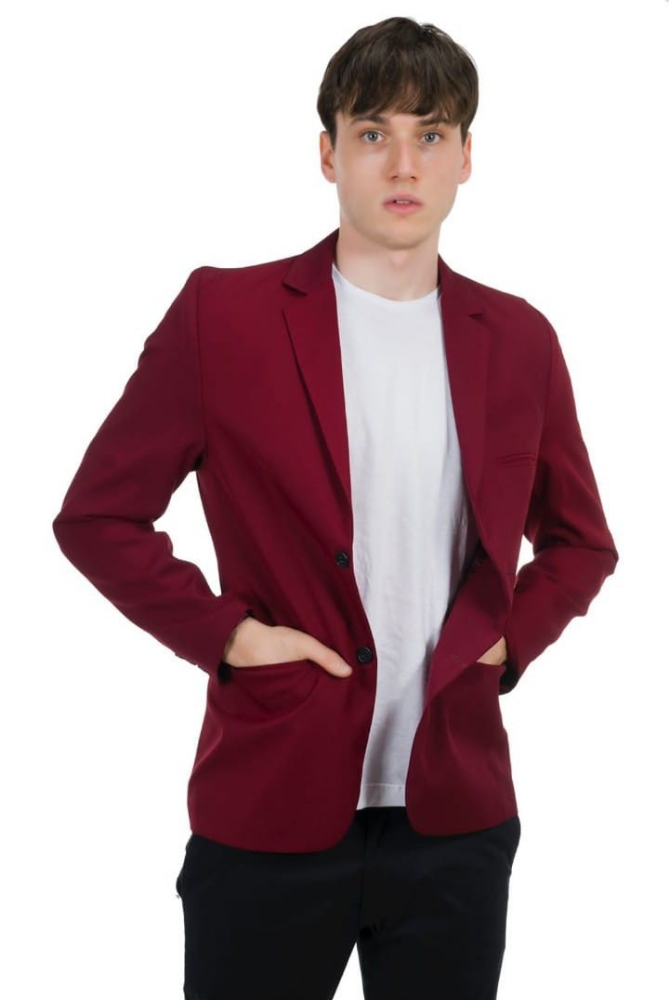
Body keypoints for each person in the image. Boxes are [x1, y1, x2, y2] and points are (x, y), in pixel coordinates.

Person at [51, 16, 619, 1000]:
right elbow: (97, 516)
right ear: (328, 154)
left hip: (455, 816)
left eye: (430, 134)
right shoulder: (224, 316)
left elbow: (581, 542)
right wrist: (229, 636)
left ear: (466, 158)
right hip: (269, 804)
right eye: (372, 133)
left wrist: (509, 639)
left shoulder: (519, 338)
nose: (402, 163)